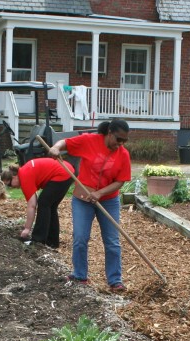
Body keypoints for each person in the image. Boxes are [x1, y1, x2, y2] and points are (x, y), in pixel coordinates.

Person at [48, 119, 132, 292]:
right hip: (83, 199)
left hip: (108, 200)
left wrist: (100, 193)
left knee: (112, 241)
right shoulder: (89, 141)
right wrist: (56, 148)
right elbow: (66, 143)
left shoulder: (123, 154)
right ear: (109, 133)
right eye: (118, 139)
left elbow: (120, 181)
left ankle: (115, 280)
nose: (120, 144)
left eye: (124, 141)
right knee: (80, 237)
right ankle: (80, 275)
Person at [1, 158, 74, 248]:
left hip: (62, 173)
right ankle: (52, 242)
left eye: (9, 184)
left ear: (14, 177)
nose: (12, 187)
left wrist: (27, 229)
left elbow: (32, 205)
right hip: (67, 170)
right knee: (50, 206)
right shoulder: (25, 171)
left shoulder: (24, 176)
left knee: (44, 203)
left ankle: (38, 240)